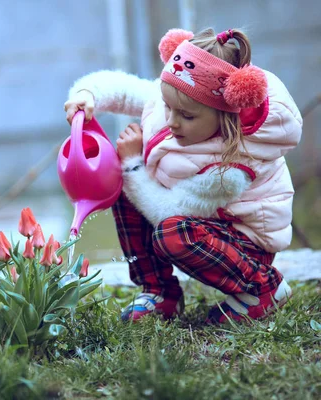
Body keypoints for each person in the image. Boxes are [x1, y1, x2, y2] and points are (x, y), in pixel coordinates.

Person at [63, 28, 302, 323]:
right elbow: (124, 89)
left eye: (187, 116)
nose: (172, 121)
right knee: (126, 187)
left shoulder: (232, 168)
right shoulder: (181, 97)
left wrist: (134, 164)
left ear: (225, 116)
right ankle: (159, 293)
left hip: (243, 245)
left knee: (172, 231)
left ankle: (263, 287)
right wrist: (87, 96)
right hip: (207, 222)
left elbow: (168, 212)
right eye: (168, 107)